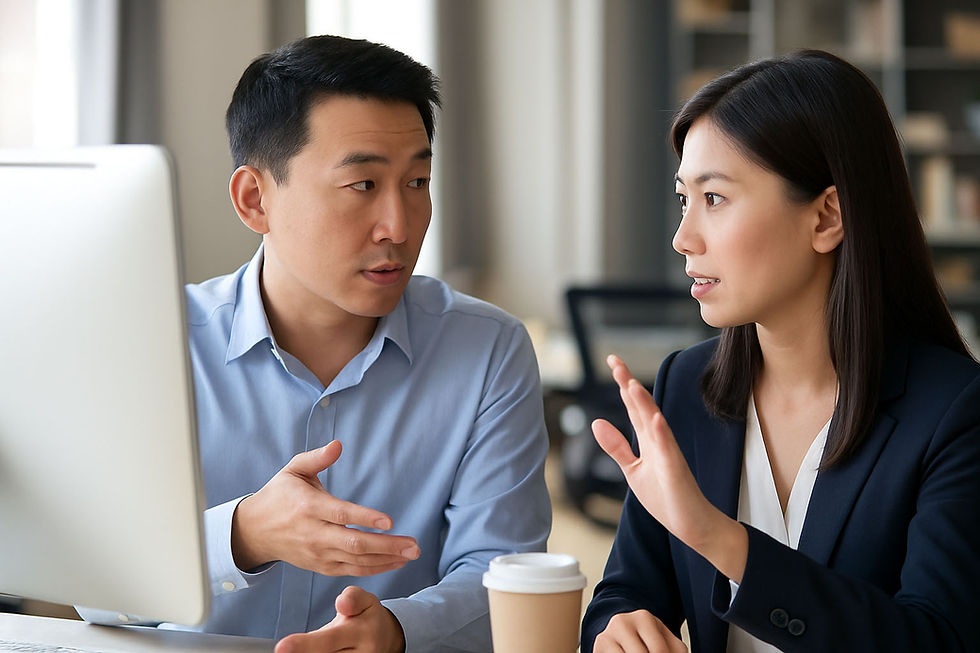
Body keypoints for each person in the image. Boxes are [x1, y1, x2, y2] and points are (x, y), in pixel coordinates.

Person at [79, 35, 551, 652]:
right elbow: (97, 589)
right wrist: (242, 535)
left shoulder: (488, 350)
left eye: (416, 182)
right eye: (362, 185)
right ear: (256, 200)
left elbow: (504, 572)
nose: (399, 227)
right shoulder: (158, 344)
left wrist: (400, 629)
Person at [580, 49, 980, 653]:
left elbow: (938, 641)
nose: (682, 238)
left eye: (714, 199)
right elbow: (625, 595)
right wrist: (617, 629)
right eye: (683, 198)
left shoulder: (953, 412)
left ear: (826, 216)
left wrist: (720, 539)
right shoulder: (687, 385)